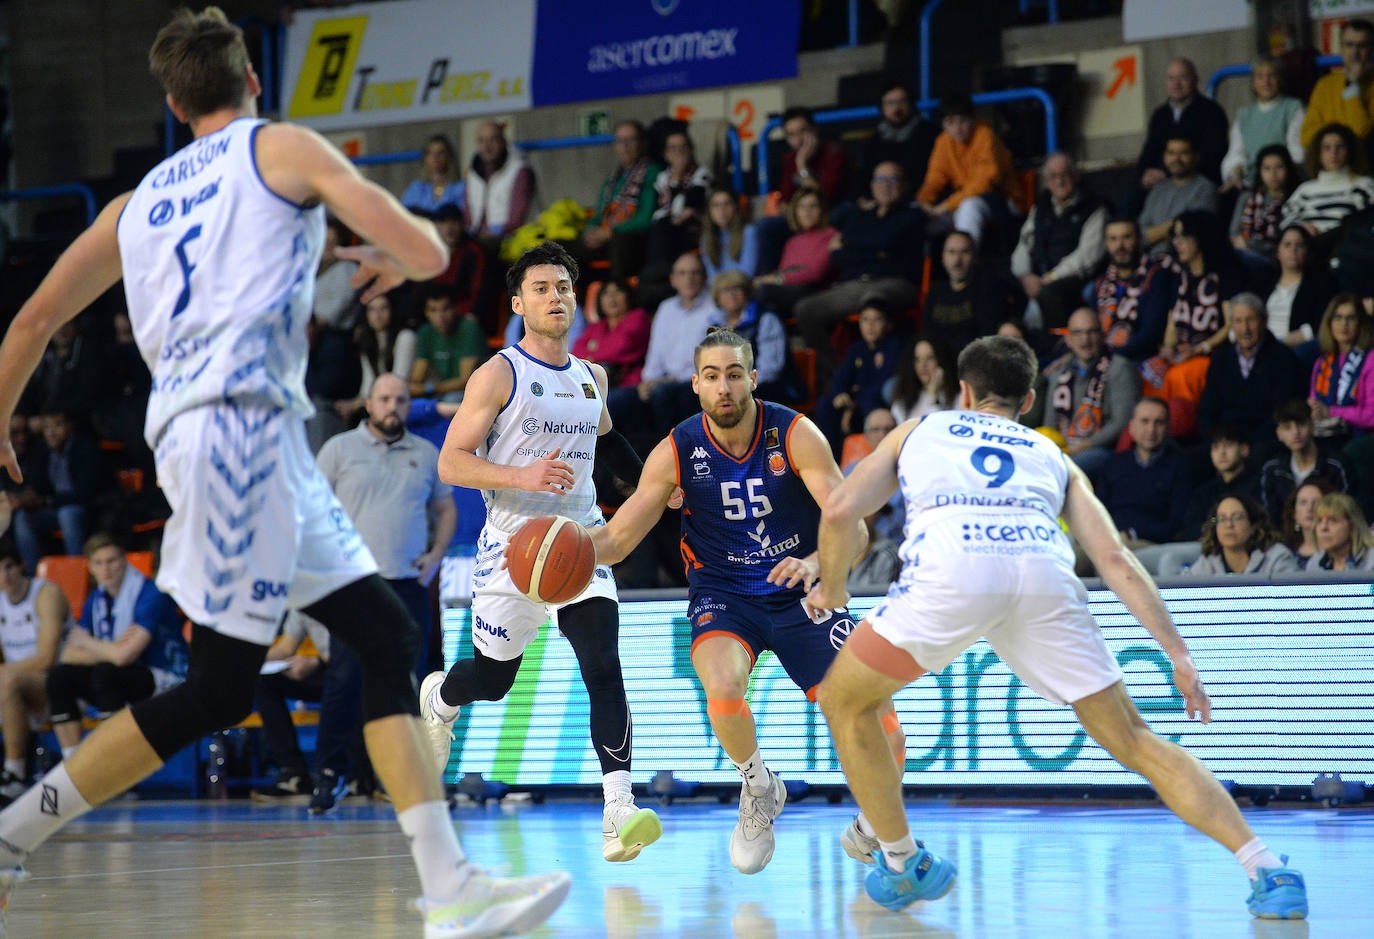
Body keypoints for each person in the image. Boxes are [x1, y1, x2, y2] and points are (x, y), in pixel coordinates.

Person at [0, 10, 569, 935]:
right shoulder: (283, 148)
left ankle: (450, 884)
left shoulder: (131, 205)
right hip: (236, 439)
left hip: (249, 440)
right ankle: (13, 836)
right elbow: (432, 251)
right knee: (219, 687)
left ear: (176, 104)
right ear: (254, 84)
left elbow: (28, 323)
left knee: (385, 636)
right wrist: (393, 254)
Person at [806, 334, 1308, 919]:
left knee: (846, 701)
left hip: (952, 575)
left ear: (964, 390)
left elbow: (841, 509)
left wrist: (835, 589)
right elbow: (1117, 559)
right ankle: (1267, 868)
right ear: (1030, 400)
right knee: (1137, 742)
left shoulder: (923, 427)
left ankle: (902, 860)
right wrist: (1177, 651)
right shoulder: (1052, 455)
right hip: (1043, 577)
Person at [585, 327, 901, 875]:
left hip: (804, 590)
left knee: (887, 730)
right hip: (724, 594)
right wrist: (551, 551)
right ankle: (758, 788)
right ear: (695, 386)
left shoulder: (796, 434)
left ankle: (873, 823)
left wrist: (820, 564)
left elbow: (855, 528)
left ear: (753, 379)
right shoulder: (676, 450)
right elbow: (615, 541)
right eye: (712, 377)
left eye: (734, 374)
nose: (724, 386)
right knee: (723, 690)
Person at [418, 241, 663, 865]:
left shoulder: (591, 377)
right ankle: (441, 699)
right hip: (511, 549)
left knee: (603, 666)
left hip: (579, 541)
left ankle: (618, 811)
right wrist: (524, 477)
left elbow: (607, 446)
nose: (556, 297)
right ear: (518, 302)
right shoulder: (499, 374)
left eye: (564, 287)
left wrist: (655, 487)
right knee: (494, 682)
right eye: (542, 288)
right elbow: (450, 462)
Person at [316, 372, 456, 685]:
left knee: (410, 678)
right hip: (354, 583)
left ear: (409, 406)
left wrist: (436, 555)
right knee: (346, 680)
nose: (392, 406)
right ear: (368, 404)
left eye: (401, 400)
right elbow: (312, 510)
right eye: (384, 399)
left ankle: (415, 737)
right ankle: (346, 738)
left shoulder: (426, 453)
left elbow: (446, 509)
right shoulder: (338, 449)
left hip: (409, 582)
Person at [46, 534, 187, 762]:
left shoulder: (150, 593)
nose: (106, 569)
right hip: (120, 674)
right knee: (60, 676)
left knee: (107, 673)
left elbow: (124, 656)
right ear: (90, 568)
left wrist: (90, 644)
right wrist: (111, 649)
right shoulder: (96, 598)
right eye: (99, 563)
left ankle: (113, 764)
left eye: (112, 561)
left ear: (125, 561)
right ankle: (71, 764)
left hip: (166, 676)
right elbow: (69, 654)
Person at [792, 161, 923, 381]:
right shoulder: (860, 217)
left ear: (904, 185)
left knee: (873, 302)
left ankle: (881, 376)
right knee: (805, 309)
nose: (885, 185)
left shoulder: (913, 216)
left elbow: (873, 247)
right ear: (872, 184)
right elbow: (837, 255)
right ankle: (838, 375)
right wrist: (877, 251)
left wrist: (859, 249)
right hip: (855, 284)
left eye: (892, 180)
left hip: (896, 283)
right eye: (880, 179)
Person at [1028, 307, 1141, 478]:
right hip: (1065, 449)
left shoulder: (1119, 367)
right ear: (1069, 339)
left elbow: (1122, 423)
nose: (1085, 340)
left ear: (1102, 335)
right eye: (1078, 333)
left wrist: (1084, 445)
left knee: (1064, 471)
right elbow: (1049, 424)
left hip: (1101, 450)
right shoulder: (1059, 374)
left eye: (1091, 332)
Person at [0, 542, 69, 804]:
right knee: (8, 681)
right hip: (14, 690)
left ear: (22, 566)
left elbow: (46, 658)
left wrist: (4, 673)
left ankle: (15, 774)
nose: (4, 576)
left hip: (57, 687)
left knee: (8, 680)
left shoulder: (45, 594)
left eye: (9, 567)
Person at [1197, 293, 1306, 454]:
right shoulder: (1221, 358)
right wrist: (1218, 442)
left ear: (1264, 322)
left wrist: (1244, 447)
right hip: (1224, 443)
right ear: (1231, 325)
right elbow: (1208, 409)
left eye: (1251, 320)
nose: (1245, 329)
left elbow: (1280, 414)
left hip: (1262, 443)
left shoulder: (1283, 358)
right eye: (1238, 321)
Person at [1010, 152, 1108, 331]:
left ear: (1076, 176)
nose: (1059, 182)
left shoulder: (1094, 207)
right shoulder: (1041, 207)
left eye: (1064, 175)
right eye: (1053, 176)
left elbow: (1087, 257)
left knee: (1049, 294)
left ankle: (1058, 345)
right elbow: (1023, 246)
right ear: (1046, 182)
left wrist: (1051, 277)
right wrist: (1025, 276)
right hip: (1038, 277)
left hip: (1073, 278)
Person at [9, 410, 107, 573]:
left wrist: (47, 501)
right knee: (23, 518)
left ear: (70, 426)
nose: (52, 432)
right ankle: (33, 576)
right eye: (47, 427)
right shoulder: (43, 450)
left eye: (57, 425)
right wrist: (26, 498)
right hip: (55, 510)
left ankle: (77, 572)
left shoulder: (85, 448)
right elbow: (38, 486)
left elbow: (86, 493)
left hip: (89, 509)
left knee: (67, 514)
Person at [916, 95, 1019, 247]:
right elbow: (935, 178)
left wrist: (946, 206)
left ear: (972, 120)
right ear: (943, 124)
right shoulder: (943, 141)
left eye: (962, 121)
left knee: (969, 206)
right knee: (915, 216)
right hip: (960, 200)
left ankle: (966, 263)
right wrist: (924, 201)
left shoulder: (985, 135)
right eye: (950, 122)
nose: (957, 128)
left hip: (1002, 200)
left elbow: (984, 183)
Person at [581, 120, 662, 283]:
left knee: (620, 243)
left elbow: (646, 218)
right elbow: (598, 215)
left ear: (642, 143)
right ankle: (574, 302)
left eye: (630, 140)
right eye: (620, 141)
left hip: (633, 238)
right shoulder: (613, 177)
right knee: (562, 249)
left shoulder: (652, 172)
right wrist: (590, 231)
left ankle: (618, 293)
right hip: (606, 236)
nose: (625, 146)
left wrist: (610, 232)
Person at [1136, 58, 1229, 191]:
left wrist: (1168, 175)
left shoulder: (1212, 112)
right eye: (1171, 79)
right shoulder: (1160, 115)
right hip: (1158, 183)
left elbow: (1212, 156)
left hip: (1198, 183)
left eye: (1183, 78)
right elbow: (1149, 151)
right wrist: (1145, 174)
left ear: (1195, 80)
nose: (1176, 84)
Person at [1259, 398, 1353, 525]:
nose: (1296, 432)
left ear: (1312, 425)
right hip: (1287, 541)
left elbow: (1348, 511)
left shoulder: (1336, 465)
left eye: (1301, 424)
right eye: (1288, 428)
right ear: (1279, 434)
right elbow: (1270, 518)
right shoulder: (1272, 470)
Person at [1220, 58, 1306, 192]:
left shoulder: (1293, 108)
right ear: (1253, 83)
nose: (1266, 82)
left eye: (1271, 76)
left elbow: (1297, 152)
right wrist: (1236, 171)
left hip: (1285, 183)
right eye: (1260, 76)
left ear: (1280, 80)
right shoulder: (1244, 115)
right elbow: (1236, 152)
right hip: (1253, 183)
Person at [1093, 218, 1170, 363]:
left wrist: (1110, 357)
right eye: (1113, 239)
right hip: (1105, 358)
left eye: (1127, 237)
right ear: (1106, 244)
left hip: (1140, 359)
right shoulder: (1100, 283)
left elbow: (1151, 334)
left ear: (1139, 239)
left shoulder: (1156, 275)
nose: (1120, 246)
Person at [753, 189, 837, 320]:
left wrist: (778, 279)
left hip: (815, 293)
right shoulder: (793, 241)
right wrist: (778, 278)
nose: (807, 212)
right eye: (802, 207)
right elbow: (784, 271)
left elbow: (815, 273)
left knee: (764, 291)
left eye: (812, 206)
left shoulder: (831, 235)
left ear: (822, 210)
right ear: (795, 212)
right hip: (791, 292)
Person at [1281, 123, 1374, 239]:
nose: (1333, 153)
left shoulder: (1364, 185)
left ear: (1350, 151)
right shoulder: (1305, 189)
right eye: (1327, 148)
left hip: (1345, 247)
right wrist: (1302, 227)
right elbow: (1285, 222)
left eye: (1339, 147)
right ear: (1318, 153)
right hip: (1306, 247)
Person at [1264, 225, 1336, 365]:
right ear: (1278, 250)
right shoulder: (1264, 280)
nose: (1293, 250)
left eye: (1299, 245)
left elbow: (1318, 325)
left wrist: (1279, 344)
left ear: (1307, 251)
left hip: (1292, 348)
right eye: (1287, 245)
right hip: (1261, 344)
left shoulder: (1320, 284)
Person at [1138, 135, 1221, 256]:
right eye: (1171, 153)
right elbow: (1139, 234)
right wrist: (1171, 229)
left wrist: (1154, 234)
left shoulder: (1206, 189)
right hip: (1152, 260)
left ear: (1196, 157)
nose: (1176, 159)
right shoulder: (1158, 189)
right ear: (1164, 157)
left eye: (1183, 153)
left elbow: (1193, 230)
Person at [1308, 293, 1374, 439]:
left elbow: (1372, 415)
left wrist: (1331, 412)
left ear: (1360, 323)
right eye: (1337, 318)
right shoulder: (1321, 363)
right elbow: (1314, 404)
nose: (1344, 324)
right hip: (1324, 433)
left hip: (1360, 438)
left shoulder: (1371, 359)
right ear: (1329, 323)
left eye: (1351, 318)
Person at [1300, 18, 1374, 149]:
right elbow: (1306, 137)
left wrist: (1352, 84)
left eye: (1362, 45)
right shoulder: (1326, 84)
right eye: (1349, 45)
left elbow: (1360, 132)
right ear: (1341, 48)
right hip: (1328, 165)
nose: (1354, 52)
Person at [856, 82, 937, 199]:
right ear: (882, 108)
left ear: (911, 104)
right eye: (889, 103)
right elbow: (865, 176)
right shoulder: (874, 141)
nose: (896, 108)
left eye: (902, 101)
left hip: (920, 200)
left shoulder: (930, 133)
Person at [408, 284, 488, 403]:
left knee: (449, 399)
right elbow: (417, 378)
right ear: (426, 313)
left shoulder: (469, 329)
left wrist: (429, 388)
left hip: (474, 391)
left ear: (456, 309)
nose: (440, 316)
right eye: (433, 310)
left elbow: (465, 380)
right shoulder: (425, 332)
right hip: (443, 391)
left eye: (445, 309)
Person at [1185, 495, 1299, 577]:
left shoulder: (1277, 557)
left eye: (1237, 517)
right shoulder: (1207, 562)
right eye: (1222, 519)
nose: (1229, 525)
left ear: (1254, 525)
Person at [463, 121, 535, 245]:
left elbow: (517, 219)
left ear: (503, 142)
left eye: (493, 140)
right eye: (482, 141)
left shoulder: (520, 171)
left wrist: (492, 232)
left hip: (511, 241)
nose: (487, 146)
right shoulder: (472, 174)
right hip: (478, 241)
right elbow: (468, 215)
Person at [571, 279, 651, 390]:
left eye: (617, 292)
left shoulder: (638, 317)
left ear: (628, 296)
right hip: (598, 384)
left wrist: (591, 356)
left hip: (629, 384)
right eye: (606, 294)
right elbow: (576, 352)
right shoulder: (597, 326)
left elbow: (619, 348)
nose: (612, 298)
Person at [1229, 145, 1299, 261]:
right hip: (1242, 253)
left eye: (1279, 167)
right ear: (1260, 171)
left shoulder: (1295, 197)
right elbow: (1234, 233)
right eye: (1267, 168)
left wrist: (1252, 247)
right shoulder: (1247, 197)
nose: (1273, 174)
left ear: (1288, 168)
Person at [885, 335, 958, 424]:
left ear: (941, 360)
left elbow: (942, 430)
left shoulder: (958, 397)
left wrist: (933, 397)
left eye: (930, 358)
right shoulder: (903, 401)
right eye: (917, 359)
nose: (923, 365)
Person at [701, 189, 759, 282]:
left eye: (727, 204)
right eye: (716, 205)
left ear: (736, 208)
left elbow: (747, 274)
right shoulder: (706, 237)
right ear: (710, 211)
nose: (721, 210)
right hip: (718, 291)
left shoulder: (749, 232)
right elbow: (711, 276)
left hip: (742, 289)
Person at [1308, 491, 1374, 572]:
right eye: (1319, 521)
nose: (1323, 527)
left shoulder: (1372, 560)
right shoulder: (1315, 565)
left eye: (1333, 520)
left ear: (1352, 527)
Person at [401, 134, 464, 217]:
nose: (435, 157)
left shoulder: (460, 188)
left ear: (449, 156)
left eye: (440, 153)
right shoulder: (416, 188)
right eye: (430, 153)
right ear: (425, 159)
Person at [1281, 478, 1338, 568]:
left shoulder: (1338, 550)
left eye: (1316, 502)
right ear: (1294, 513)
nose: (1309, 508)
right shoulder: (1284, 553)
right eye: (1303, 503)